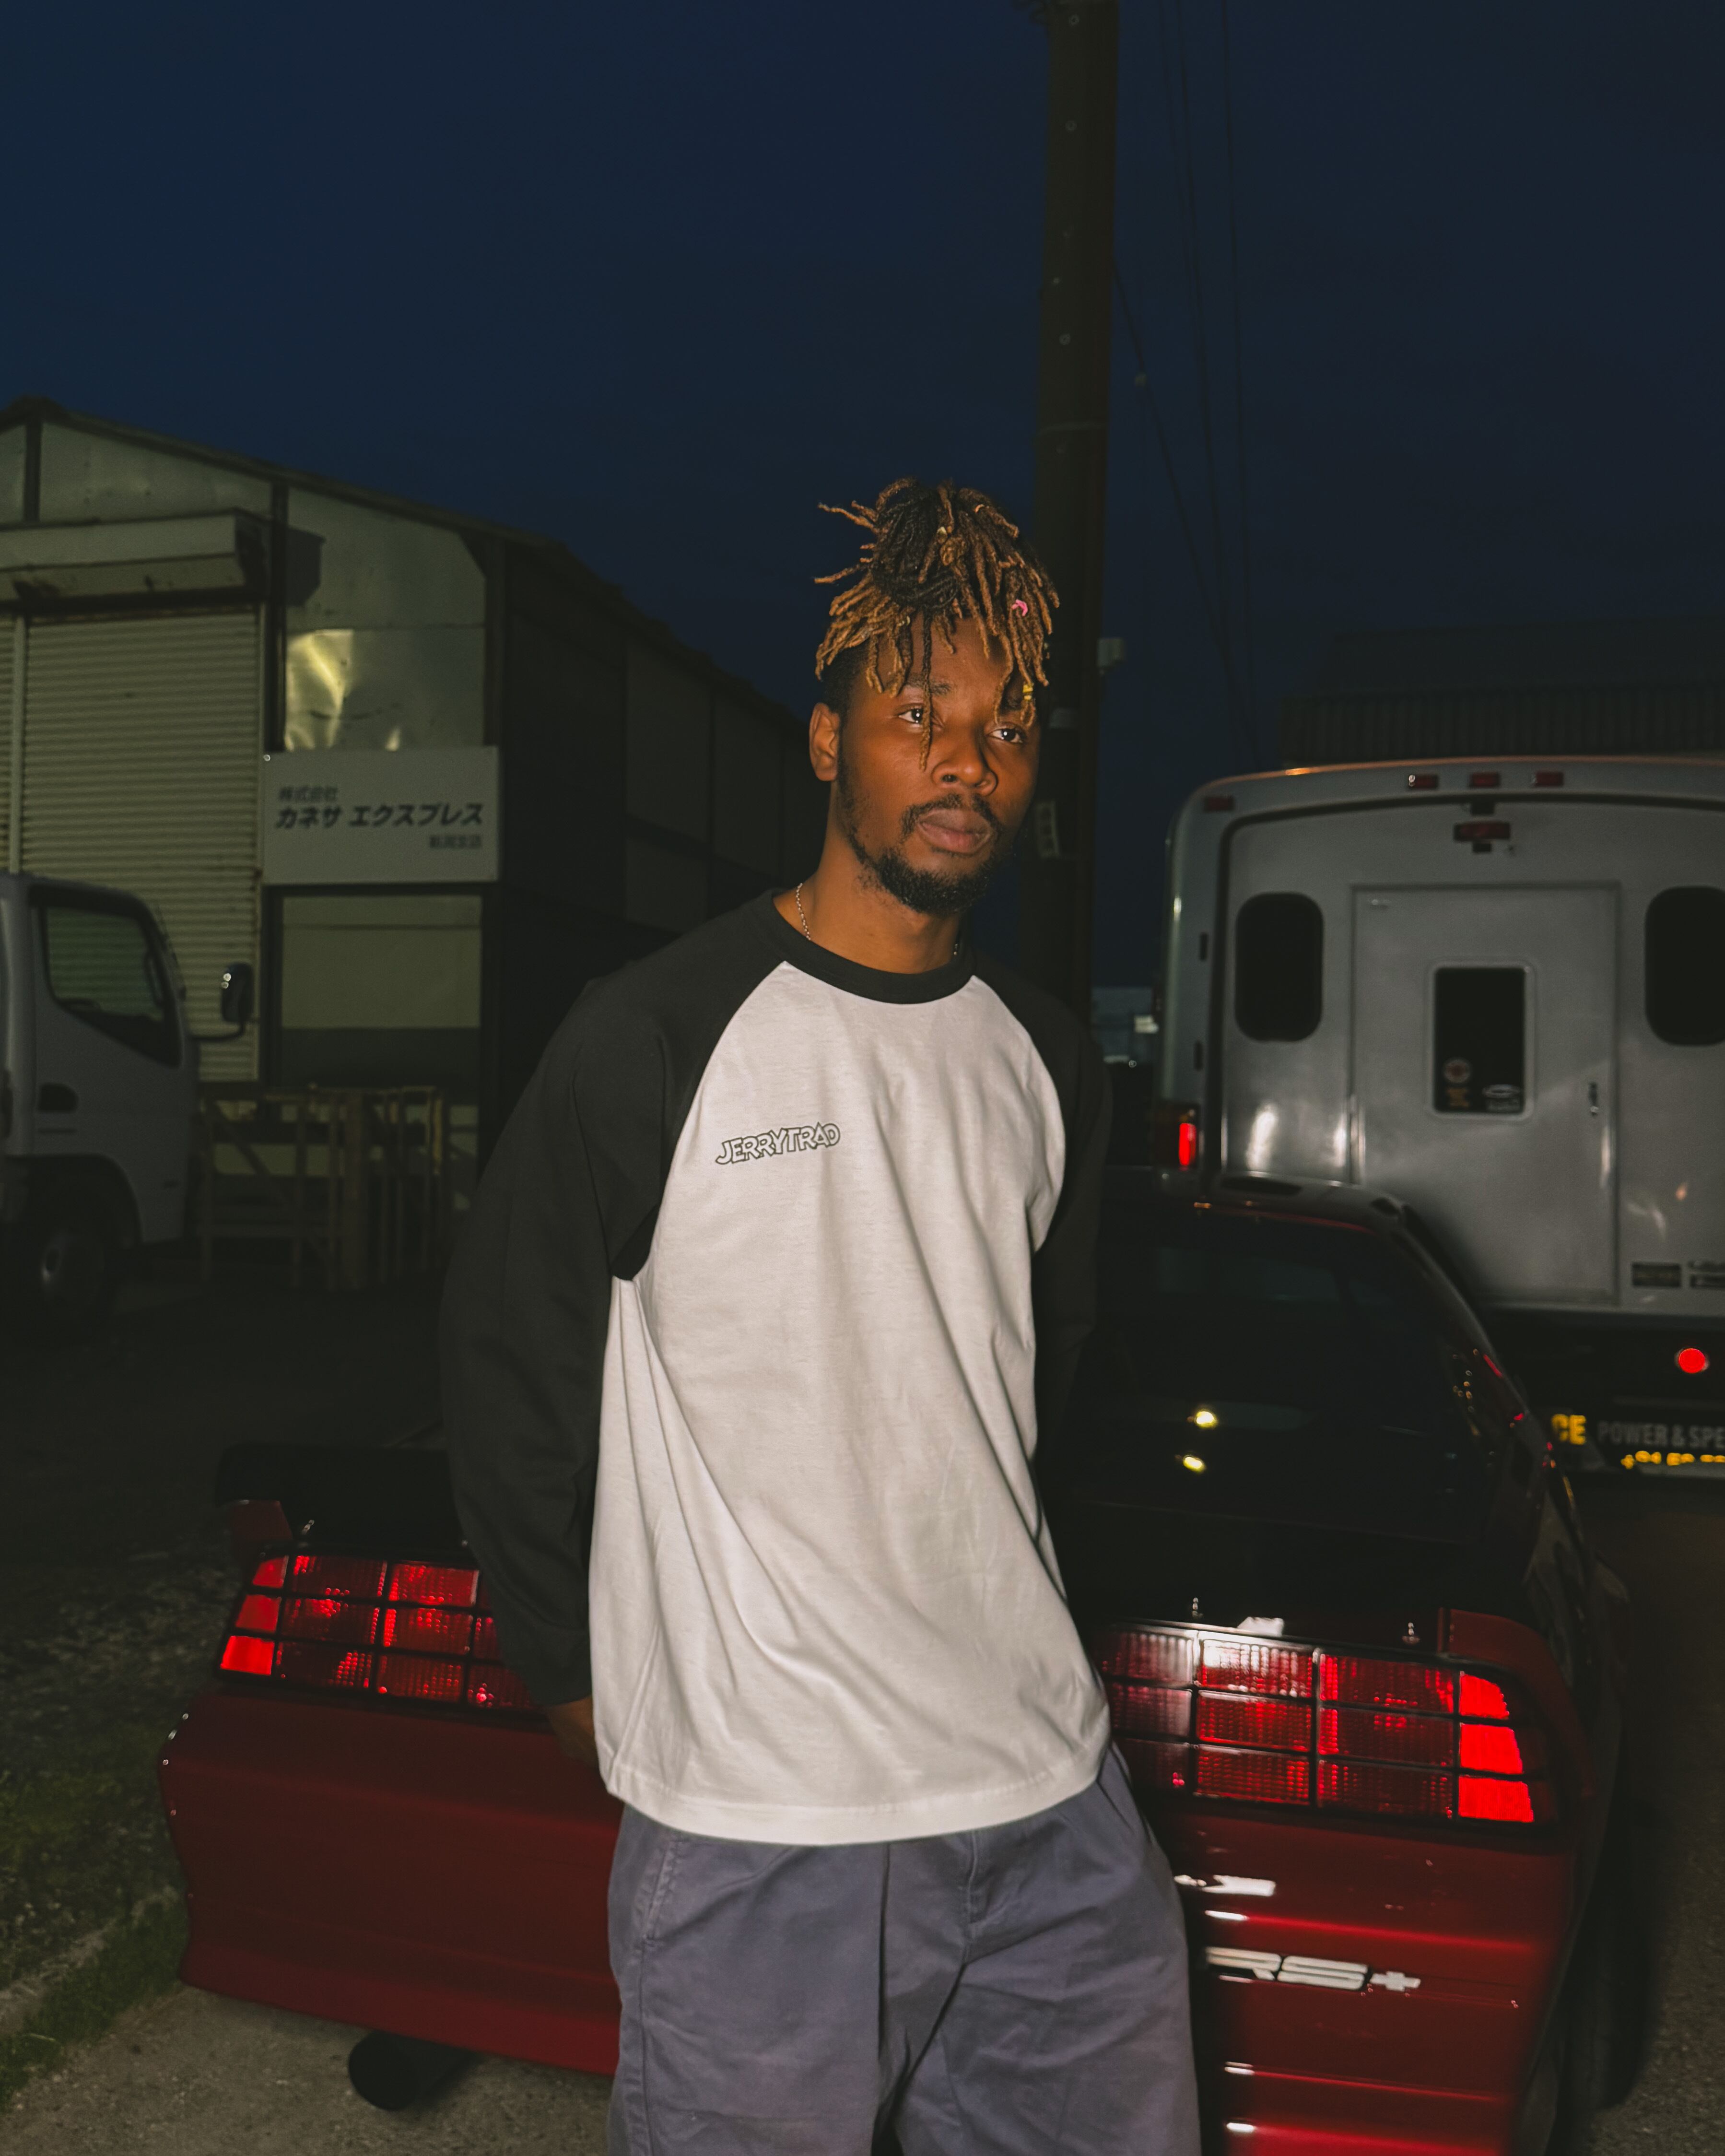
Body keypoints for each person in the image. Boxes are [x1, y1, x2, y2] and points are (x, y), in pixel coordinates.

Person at [441, 477, 1198, 2154]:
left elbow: (1042, 1380)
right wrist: (571, 1678)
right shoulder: (657, 1033)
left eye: (1007, 728)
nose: (966, 760)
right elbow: (510, 1372)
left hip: (1048, 1793)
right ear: (825, 741)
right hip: (766, 1813)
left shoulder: (1044, 1056)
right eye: (918, 713)